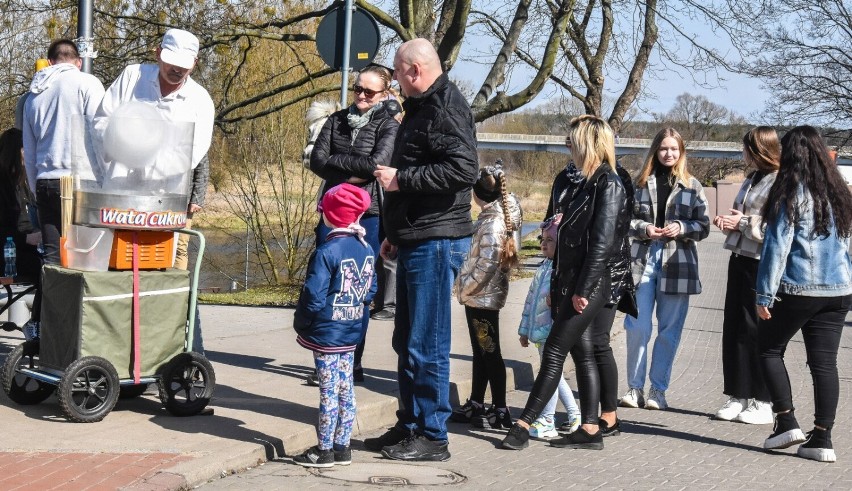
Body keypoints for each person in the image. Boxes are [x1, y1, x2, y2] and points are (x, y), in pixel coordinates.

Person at [365, 38, 478, 462]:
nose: (394, 81)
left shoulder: (446, 106)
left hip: (436, 239)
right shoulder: (420, 106)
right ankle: (410, 423)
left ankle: (433, 435)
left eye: (396, 73)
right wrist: (394, 229)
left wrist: (401, 181)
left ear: (414, 71)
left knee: (426, 342)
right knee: (405, 338)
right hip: (415, 236)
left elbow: (464, 169)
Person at [501, 115, 626, 451]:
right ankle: (589, 428)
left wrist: (583, 291)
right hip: (571, 279)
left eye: (573, 141)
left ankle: (523, 425)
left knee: (554, 350)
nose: (568, 147)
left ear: (588, 143)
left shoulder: (608, 183)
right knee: (582, 351)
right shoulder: (585, 183)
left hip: (590, 283)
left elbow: (602, 243)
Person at [94, 28, 215, 355]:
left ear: (195, 63)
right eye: (171, 61)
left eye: (184, 65)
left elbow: (190, 154)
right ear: (158, 52)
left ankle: (188, 356)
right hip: (118, 199)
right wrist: (123, 149)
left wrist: (144, 159)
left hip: (165, 203)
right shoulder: (132, 77)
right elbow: (100, 124)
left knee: (168, 282)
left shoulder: (200, 100)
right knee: (116, 277)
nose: (176, 70)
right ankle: (118, 356)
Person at [756, 125, 852, 463]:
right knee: (825, 363)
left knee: (767, 348)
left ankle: (786, 421)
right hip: (839, 291)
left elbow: (776, 249)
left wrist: (764, 294)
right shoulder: (840, 192)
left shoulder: (791, 193)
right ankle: (822, 439)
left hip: (800, 288)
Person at [308, 64, 400, 383]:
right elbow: (317, 161)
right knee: (327, 281)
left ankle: (351, 361)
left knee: (356, 287)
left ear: (384, 94)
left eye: (369, 92)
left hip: (370, 212)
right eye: (357, 88)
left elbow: (377, 164)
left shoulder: (388, 126)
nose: (360, 95)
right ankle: (325, 359)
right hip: (333, 211)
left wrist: (339, 166)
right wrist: (351, 173)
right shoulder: (335, 120)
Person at [545, 134, 636, 438]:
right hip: (570, 271)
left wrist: (592, 276)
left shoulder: (614, 178)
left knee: (597, 342)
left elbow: (615, 230)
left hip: (607, 271)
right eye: (567, 140)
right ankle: (589, 419)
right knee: (580, 345)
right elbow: (550, 218)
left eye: (573, 139)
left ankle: (607, 415)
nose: (567, 144)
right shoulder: (564, 177)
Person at [619, 127, 709, 411]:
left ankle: (658, 390)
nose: (668, 154)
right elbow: (624, 221)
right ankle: (635, 389)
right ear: (655, 151)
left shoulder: (693, 185)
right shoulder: (639, 182)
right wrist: (643, 228)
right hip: (641, 259)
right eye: (663, 149)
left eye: (674, 149)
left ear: (681, 152)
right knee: (638, 326)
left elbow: (704, 226)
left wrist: (682, 227)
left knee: (669, 330)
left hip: (677, 261)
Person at [291, 183, 377, 468]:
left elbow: (313, 296)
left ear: (330, 216)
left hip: (327, 333)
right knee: (346, 388)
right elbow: (371, 290)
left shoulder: (327, 251)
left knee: (328, 390)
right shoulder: (366, 248)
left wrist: (302, 323)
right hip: (351, 330)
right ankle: (343, 446)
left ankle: (324, 449)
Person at [712, 127, 779, 424]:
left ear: (758, 148)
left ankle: (764, 400)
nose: (743, 154)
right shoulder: (752, 178)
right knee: (734, 327)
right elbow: (745, 219)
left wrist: (742, 223)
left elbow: (778, 228)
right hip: (739, 257)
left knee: (757, 330)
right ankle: (738, 395)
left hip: (762, 263)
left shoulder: (782, 181)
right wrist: (729, 222)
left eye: (746, 148)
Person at [22, 39, 105, 265]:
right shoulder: (88, 83)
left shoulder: (33, 96)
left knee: (51, 255)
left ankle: (50, 300)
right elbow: (101, 133)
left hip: (45, 181)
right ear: (78, 62)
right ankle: (79, 301)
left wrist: (34, 187)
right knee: (85, 256)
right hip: (81, 181)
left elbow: (29, 152)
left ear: (49, 63)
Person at [451, 165, 521, 430]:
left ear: (478, 195)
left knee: (490, 352)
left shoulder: (493, 222)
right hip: (481, 295)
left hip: (483, 296)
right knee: (481, 352)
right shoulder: (497, 214)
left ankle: (500, 409)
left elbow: (486, 264)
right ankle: (478, 403)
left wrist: (464, 288)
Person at [515, 213, 582, 438]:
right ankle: (574, 415)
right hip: (539, 332)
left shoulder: (561, 272)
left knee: (549, 374)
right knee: (555, 376)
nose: (544, 244)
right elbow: (530, 301)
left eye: (550, 240)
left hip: (552, 333)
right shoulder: (543, 267)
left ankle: (547, 421)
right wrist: (524, 330)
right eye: (542, 240)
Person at [0, 128, 43, 338]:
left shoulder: (23, 183)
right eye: (26, 149)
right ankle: (37, 325)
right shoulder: (3, 185)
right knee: (47, 272)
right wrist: (27, 238)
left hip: (22, 250)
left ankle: (40, 323)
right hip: (8, 254)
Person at [173, 154, 209, 270]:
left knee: (180, 247)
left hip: (184, 204)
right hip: (157, 202)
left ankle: (178, 284)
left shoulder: (195, 140)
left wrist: (196, 200)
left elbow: (202, 171)